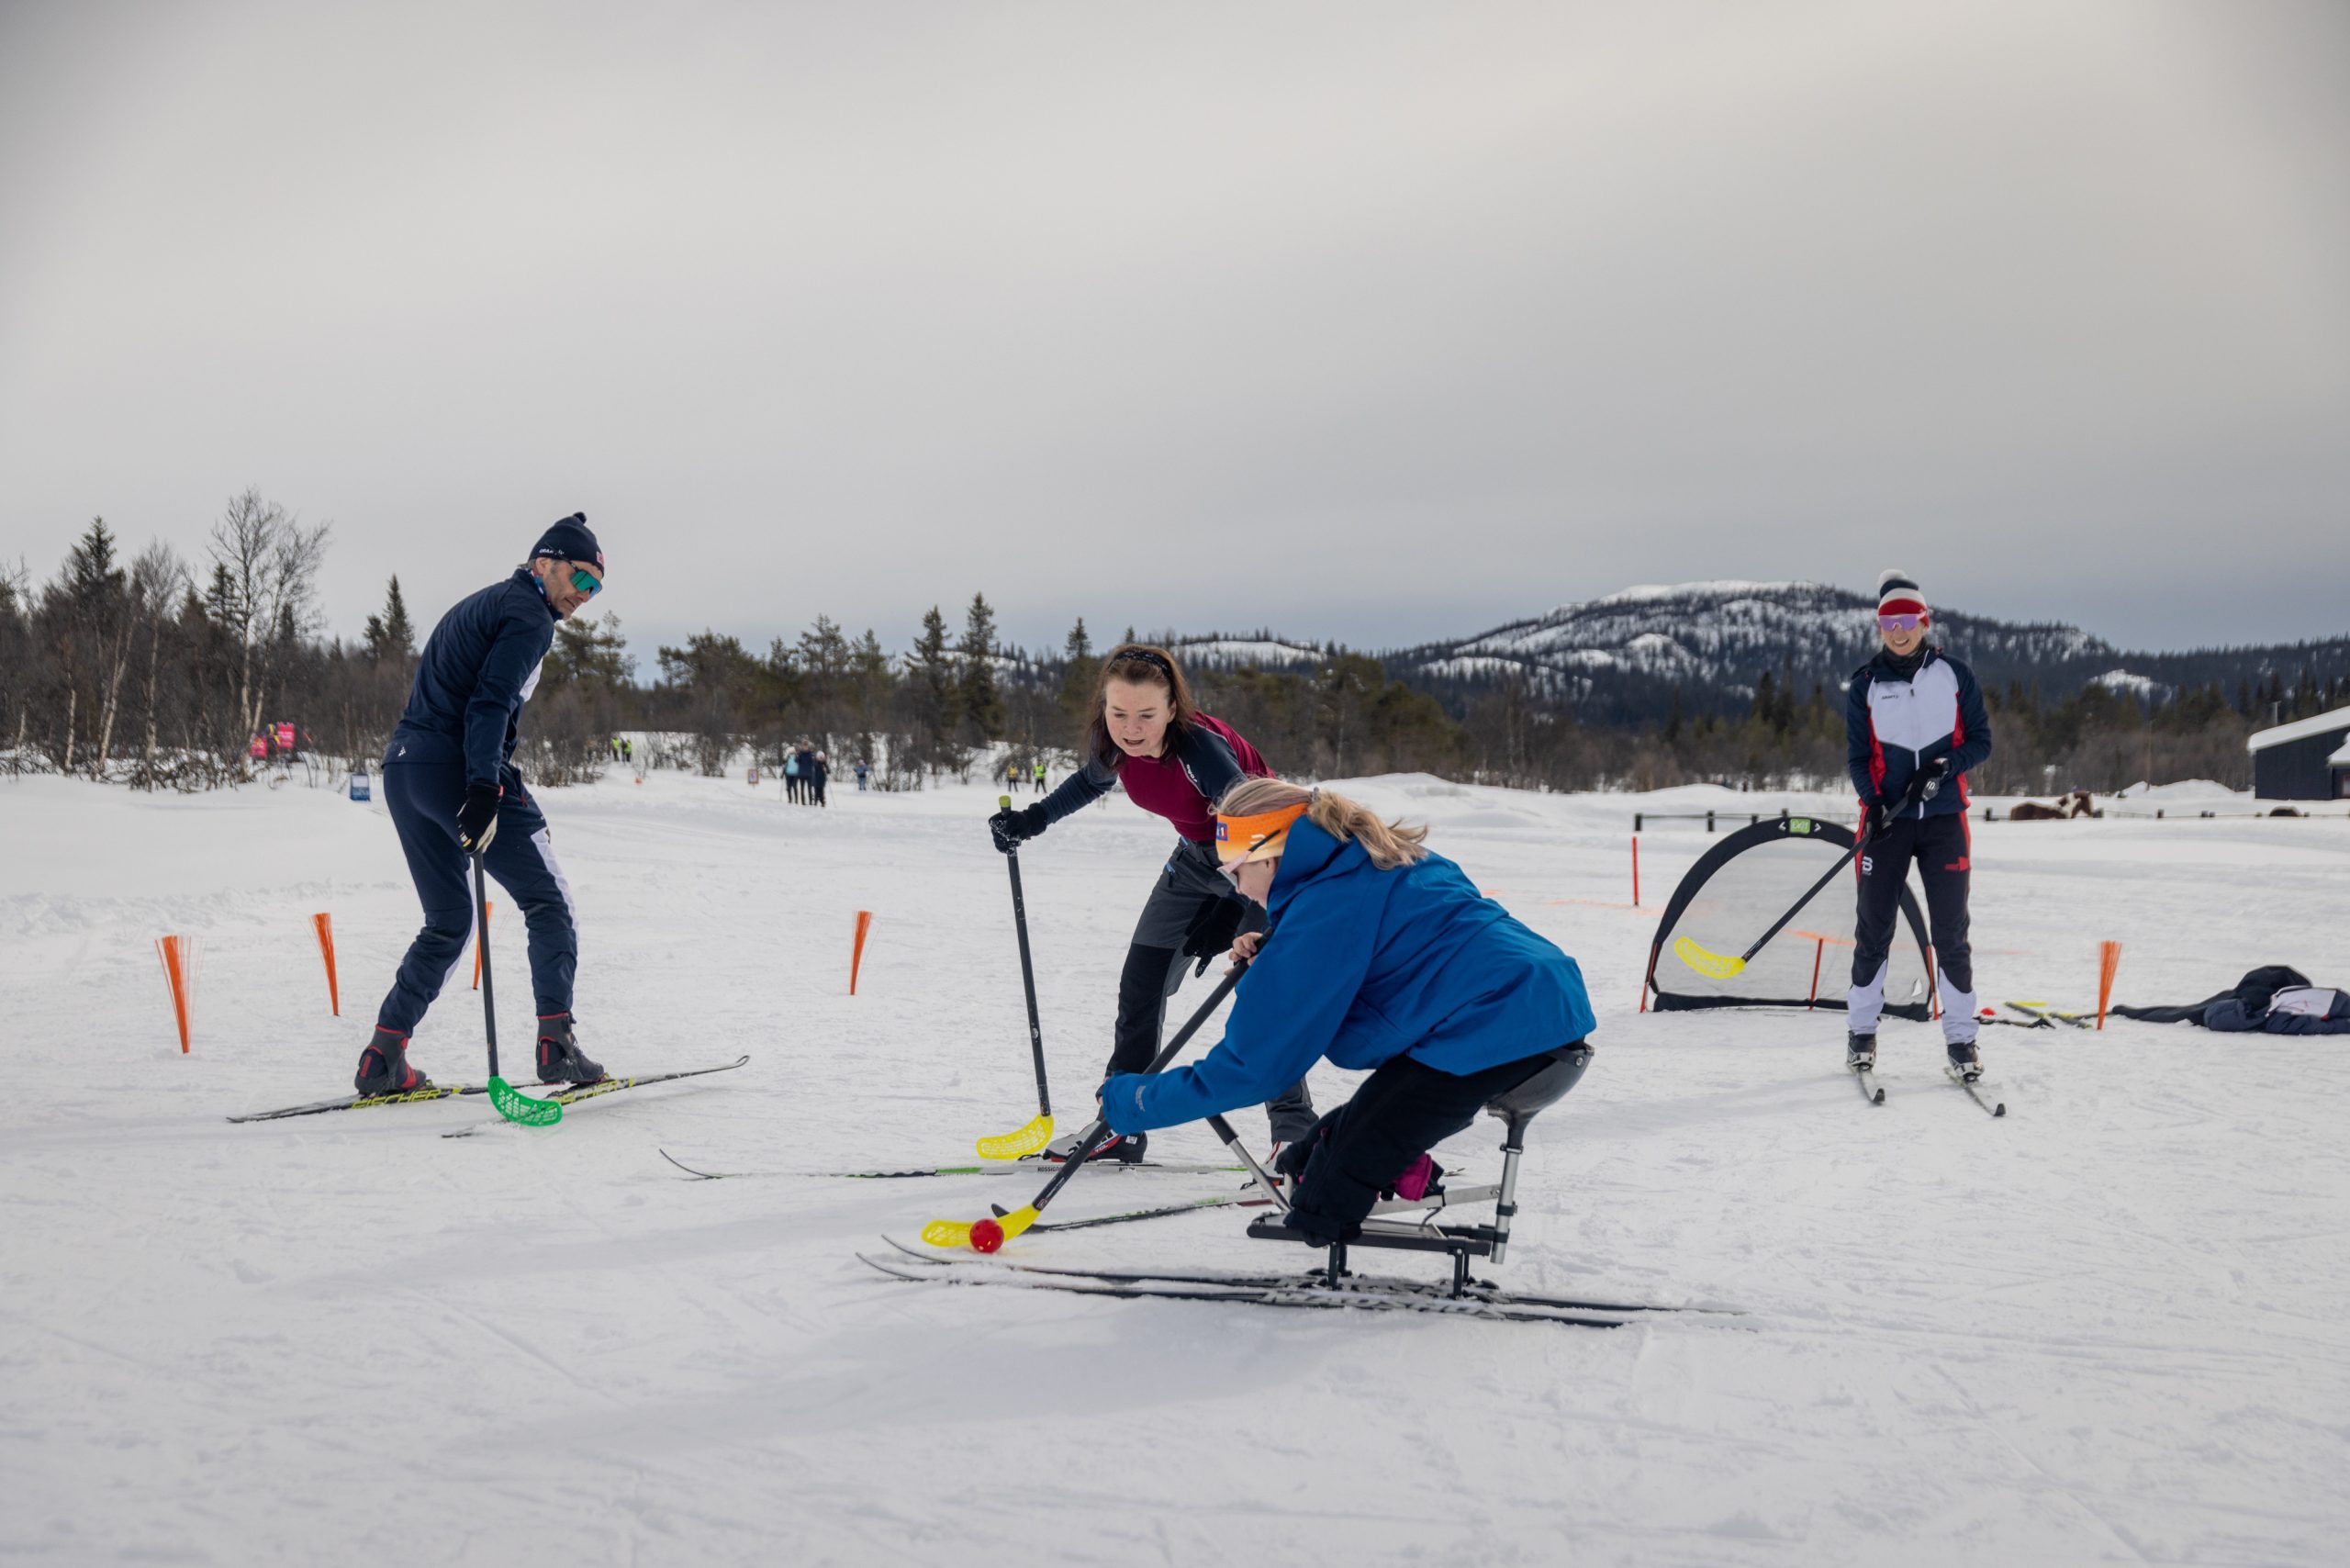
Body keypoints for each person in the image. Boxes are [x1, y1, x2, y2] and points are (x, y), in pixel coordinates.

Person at [1097, 778, 1595, 1244]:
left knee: (1321, 1204)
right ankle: (1396, 1161)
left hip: (1499, 1033)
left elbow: (1255, 1068)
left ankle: (1365, 1188)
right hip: (1532, 1011)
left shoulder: (1323, 911)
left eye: (1234, 869)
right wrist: (1279, 951)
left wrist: (1131, 1101)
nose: (1237, 888)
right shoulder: (1370, 859)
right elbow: (1382, 951)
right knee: (1306, 1161)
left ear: (1268, 857)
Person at [989, 644, 1315, 1159]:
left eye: (1146, 715)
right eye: (1119, 714)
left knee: (1258, 987)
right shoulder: (1113, 743)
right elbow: (1088, 782)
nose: (1131, 728)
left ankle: (1295, 1136)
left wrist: (1232, 908)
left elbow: (1257, 826)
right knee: (1141, 983)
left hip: (1263, 862)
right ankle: (1120, 1122)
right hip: (1192, 860)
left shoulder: (1201, 752)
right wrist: (1033, 819)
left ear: (1171, 710)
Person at [353, 513, 609, 1095]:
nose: (583, 597)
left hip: (404, 769)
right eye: (581, 580)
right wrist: (484, 789)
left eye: (595, 589)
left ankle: (383, 1057)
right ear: (544, 563)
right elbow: (488, 704)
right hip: (456, 767)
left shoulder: (485, 603)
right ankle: (556, 1044)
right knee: (550, 901)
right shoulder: (528, 616)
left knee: (448, 921)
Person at [1845, 569, 1994, 1080]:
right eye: (1889, 620)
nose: (1899, 629)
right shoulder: (1865, 685)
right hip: (1886, 824)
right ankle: (1861, 1035)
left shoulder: (1955, 675)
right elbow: (1858, 758)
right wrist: (1876, 803)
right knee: (1873, 930)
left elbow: (1980, 741)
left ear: (1925, 621)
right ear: (1879, 626)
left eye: (1908, 618)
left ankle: (1961, 1042)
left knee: (1951, 933)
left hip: (1944, 820)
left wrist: (1943, 768)